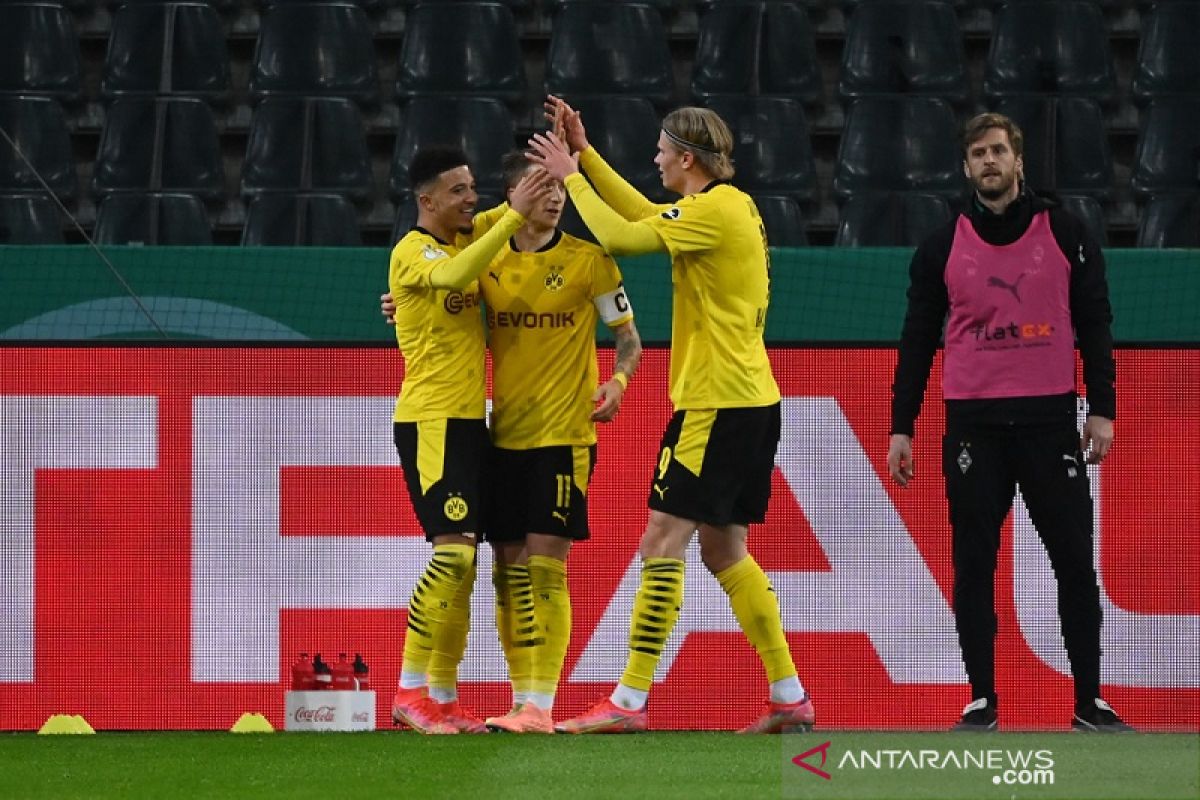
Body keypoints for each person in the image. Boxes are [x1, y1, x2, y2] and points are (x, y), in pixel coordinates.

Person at [525, 98, 813, 734]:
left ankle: (628, 702)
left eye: (661, 151)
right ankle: (789, 696)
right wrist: (586, 153)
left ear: (688, 158)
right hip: (749, 398)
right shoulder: (724, 207)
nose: (654, 159)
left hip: (717, 402)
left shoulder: (715, 210)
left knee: (662, 539)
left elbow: (623, 237)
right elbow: (642, 214)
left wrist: (570, 175)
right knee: (724, 549)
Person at [886, 112, 1132, 733]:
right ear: (967, 167)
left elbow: (1096, 323)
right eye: (977, 153)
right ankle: (982, 699)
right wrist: (901, 426)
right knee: (974, 565)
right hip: (974, 429)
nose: (989, 161)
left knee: (1076, 564)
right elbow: (917, 339)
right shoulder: (941, 246)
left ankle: (1089, 701)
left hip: (1052, 424)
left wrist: (1101, 407)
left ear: (1018, 161)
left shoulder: (1068, 233)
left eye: (998, 150)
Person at [382, 149, 643, 734]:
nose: (552, 196)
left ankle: (534, 703)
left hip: (560, 434)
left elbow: (630, 338)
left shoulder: (590, 261)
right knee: (492, 566)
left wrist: (620, 379)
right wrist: (403, 305)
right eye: (537, 187)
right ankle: (436, 694)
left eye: (559, 187)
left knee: (541, 569)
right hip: (489, 432)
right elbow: (439, 281)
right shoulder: (481, 254)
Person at [387, 145, 552, 735]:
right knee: (452, 553)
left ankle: (444, 697)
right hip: (430, 419)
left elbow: (511, 214)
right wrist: (508, 217)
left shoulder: (464, 238)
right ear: (426, 200)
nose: (471, 198)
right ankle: (409, 690)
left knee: (468, 561)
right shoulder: (412, 251)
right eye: (458, 190)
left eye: (473, 186)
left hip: (468, 421)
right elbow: (457, 274)